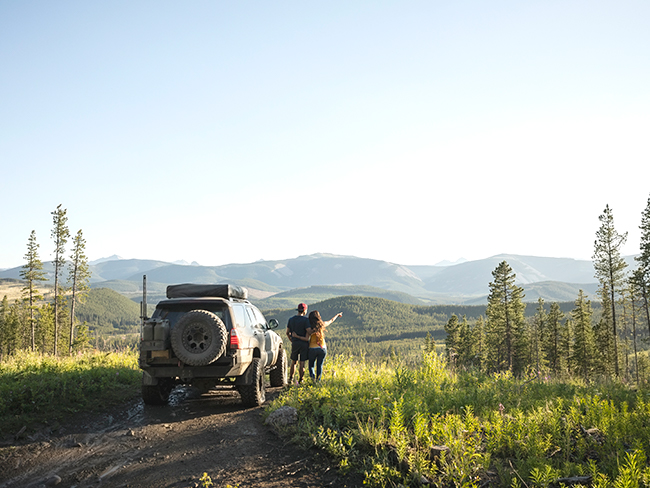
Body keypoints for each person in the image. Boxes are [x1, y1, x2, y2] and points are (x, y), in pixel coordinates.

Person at [306, 310, 342, 382]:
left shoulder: (310, 328)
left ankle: (313, 380)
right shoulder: (322, 325)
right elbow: (331, 320)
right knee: (320, 365)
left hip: (312, 348)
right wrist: (337, 315)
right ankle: (318, 380)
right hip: (322, 348)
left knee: (311, 365)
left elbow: (307, 335)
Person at [286, 303, 310, 385]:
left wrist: (292, 339)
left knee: (294, 362)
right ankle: (301, 379)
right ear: (304, 310)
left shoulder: (291, 319)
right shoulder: (306, 320)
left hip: (295, 343)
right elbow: (308, 331)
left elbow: (287, 332)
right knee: (302, 362)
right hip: (304, 343)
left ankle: (291, 378)